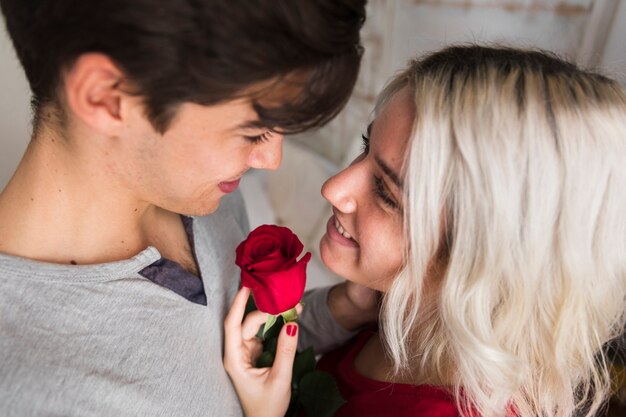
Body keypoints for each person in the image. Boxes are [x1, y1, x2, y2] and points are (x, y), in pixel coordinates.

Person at [0, 1, 379, 416]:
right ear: (107, 97)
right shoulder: (38, 395)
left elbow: (235, 358)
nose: (271, 160)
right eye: (254, 132)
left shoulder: (201, 195)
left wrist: (343, 309)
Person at [224, 45, 626, 417]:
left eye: (386, 192)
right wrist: (341, 308)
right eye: (366, 147)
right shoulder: (391, 308)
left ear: (478, 257)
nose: (334, 188)